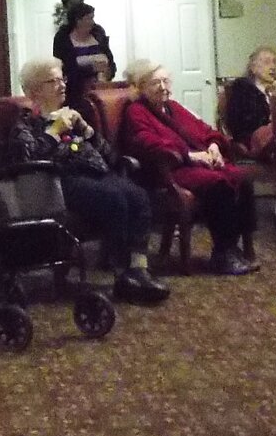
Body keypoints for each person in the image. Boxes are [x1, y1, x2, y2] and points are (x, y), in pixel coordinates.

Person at [10, 58, 168, 304]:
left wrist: (87, 132)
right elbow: (27, 159)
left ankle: (139, 270)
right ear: (33, 91)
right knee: (114, 200)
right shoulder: (27, 123)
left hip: (97, 174)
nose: (62, 85)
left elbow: (109, 155)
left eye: (62, 79)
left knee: (138, 196)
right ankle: (122, 275)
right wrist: (54, 131)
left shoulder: (72, 116)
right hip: (61, 181)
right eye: (53, 81)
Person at [118, 58, 258, 276]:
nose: (163, 87)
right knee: (219, 184)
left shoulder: (173, 107)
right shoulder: (136, 111)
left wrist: (213, 146)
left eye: (165, 81)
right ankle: (223, 253)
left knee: (243, 179)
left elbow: (205, 129)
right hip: (168, 171)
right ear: (141, 87)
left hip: (196, 165)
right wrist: (190, 155)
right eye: (155, 83)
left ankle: (236, 246)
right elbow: (146, 142)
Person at [52, 2, 116, 110]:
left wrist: (108, 72)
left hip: (101, 89)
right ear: (78, 20)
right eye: (89, 18)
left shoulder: (98, 34)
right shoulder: (63, 38)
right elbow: (64, 68)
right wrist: (91, 69)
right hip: (75, 93)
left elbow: (111, 61)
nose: (92, 22)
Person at [223, 46, 276, 158]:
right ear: (253, 68)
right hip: (252, 138)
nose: (272, 67)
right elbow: (237, 122)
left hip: (275, 136)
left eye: (274, 62)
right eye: (267, 62)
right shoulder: (242, 88)